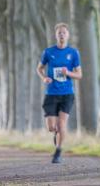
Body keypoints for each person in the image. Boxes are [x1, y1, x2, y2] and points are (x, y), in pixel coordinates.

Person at [37, 23, 82, 164]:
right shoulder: (48, 52)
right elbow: (39, 68)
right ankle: (55, 134)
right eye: (59, 33)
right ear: (56, 35)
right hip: (51, 93)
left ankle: (58, 152)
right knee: (51, 127)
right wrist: (44, 77)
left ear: (68, 35)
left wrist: (67, 72)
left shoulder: (73, 53)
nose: (61, 35)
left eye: (64, 33)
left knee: (62, 124)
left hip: (67, 93)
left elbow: (79, 75)